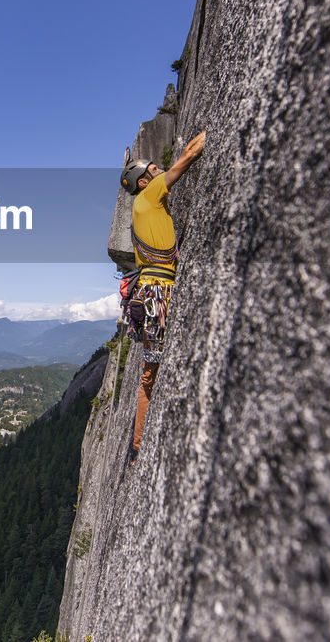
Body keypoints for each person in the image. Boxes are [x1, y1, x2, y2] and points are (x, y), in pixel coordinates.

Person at [118, 130, 206, 464]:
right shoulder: (151, 194)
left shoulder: (146, 210)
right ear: (143, 182)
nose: (158, 171)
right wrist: (210, 131)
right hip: (158, 293)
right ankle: (139, 447)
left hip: (154, 290)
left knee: (152, 372)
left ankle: (137, 447)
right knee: (150, 374)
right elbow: (188, 157)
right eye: (152, 170)